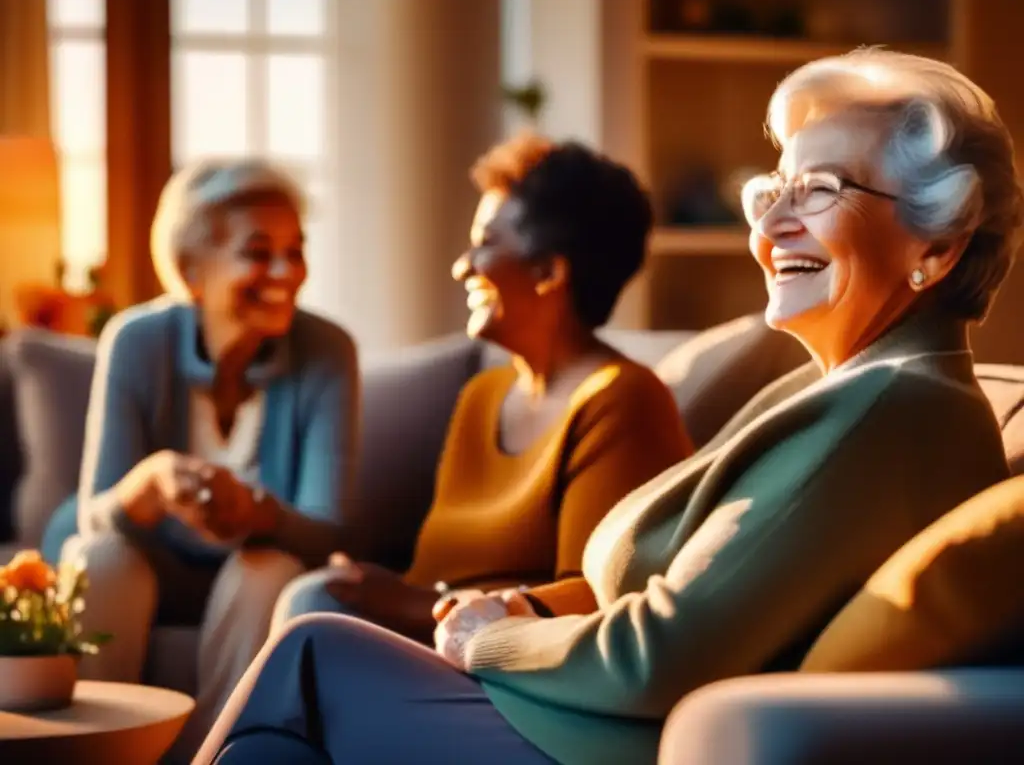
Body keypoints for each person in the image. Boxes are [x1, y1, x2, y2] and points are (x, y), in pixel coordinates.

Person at [195, 49, 1022, 765]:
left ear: (938, 244)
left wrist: (484, 636)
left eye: (820, 190)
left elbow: (666, 650)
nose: (772, 224)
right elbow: (695, 585)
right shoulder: (836, 389)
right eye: (773, 190)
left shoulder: (894, 410)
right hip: (588, 710)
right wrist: (523, 605)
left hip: (615, 739)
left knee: (310, 654)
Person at [269, 133, 694, 644]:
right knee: (316, 594)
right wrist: (383, 589)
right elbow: (432, 576)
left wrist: (410, 603)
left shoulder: (621, 400)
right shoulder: (483, 397)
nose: (463, 265)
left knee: (313, 608)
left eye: (486, 243)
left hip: (512, 666)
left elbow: (592, 602)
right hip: (438, 642)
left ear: (548, 272)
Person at [58, 159, 360, 761]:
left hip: (247, 576)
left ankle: (216, 757)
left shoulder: (327, 349)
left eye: (295, 251)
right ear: (193, 270)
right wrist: (145, 486)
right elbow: (96, 514)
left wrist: (257, 513)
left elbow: (329, 529)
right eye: (258, 252)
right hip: (148, 569)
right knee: (100, 556)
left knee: (267, 569)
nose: (286, 273)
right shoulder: (135, 340)